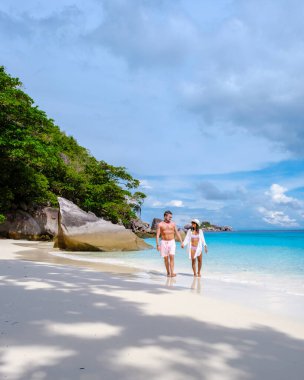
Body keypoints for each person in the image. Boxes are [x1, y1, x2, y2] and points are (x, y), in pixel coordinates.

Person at [156, 210, 183, 277]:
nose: (170, 218)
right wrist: (158, 245)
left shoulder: (173, 224)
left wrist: (181, 242)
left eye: (171, 217)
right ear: (165, 216)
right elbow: (157, 235)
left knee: (172, 257)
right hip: (163, 242)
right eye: (169, 217)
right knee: (165, 258)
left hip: (172, 242)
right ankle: (168, 272)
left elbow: (177, 233)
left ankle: (172, 272)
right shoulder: (160, 224)